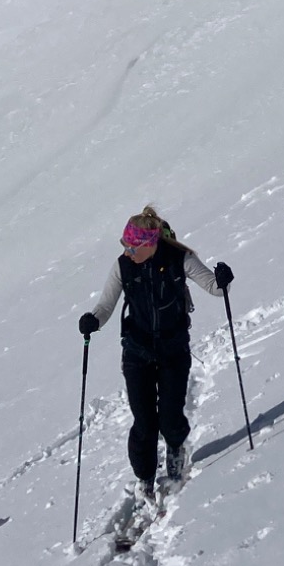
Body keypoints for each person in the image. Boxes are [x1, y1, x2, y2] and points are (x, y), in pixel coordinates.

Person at [79, 206, 234, 495]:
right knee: (144, 422)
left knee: (170, 416)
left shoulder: (179, 258)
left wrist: (223, 280)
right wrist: (93, 321)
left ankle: (175, 448)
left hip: (173, 350)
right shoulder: (123, 266)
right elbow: (105, 306)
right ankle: (145, 476)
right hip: (137, 352)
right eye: (124, 246)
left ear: (149, 244)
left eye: (132, 247)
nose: (127, 252)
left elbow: (214, 287)